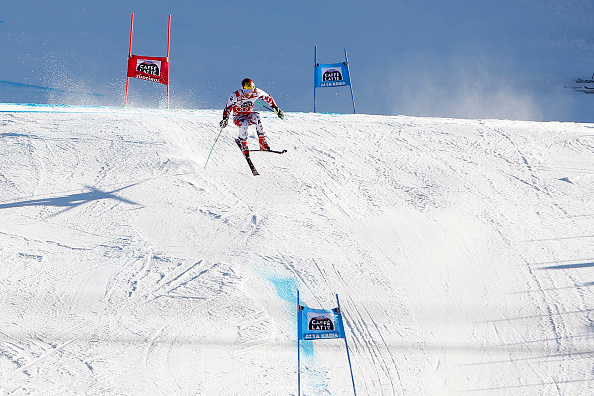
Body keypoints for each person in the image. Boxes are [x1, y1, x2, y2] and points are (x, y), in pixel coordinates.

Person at [220, 78, 284, 155]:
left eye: (250, 90)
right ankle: (243, 143)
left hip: (248, 115)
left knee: (257, 116)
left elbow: (268, 98)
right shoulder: (235, 95)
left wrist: (276, 109)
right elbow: (228, 108)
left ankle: (262, 141)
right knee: (244, 123)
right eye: (246, 91)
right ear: (242, 89)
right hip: (238, 117)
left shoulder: (256, 92)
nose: (248, 93)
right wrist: (225, 119)